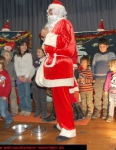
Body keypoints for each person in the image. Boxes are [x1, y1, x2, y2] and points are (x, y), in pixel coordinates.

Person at [40, 0, 77, 141]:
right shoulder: (55, 25)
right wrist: (47, 34)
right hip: (55, 64)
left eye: (51, 11)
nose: (49, 14)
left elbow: (63, 42)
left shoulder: (64, 23)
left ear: (58, 12)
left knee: (62, 98)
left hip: (61, 64)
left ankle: (69, 129)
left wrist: (47, 35)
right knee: (57, 98)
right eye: (48, 11)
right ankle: (62, 124)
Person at [91, 38, 116, 119]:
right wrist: (93, 77)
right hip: (97, 79)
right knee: (97, 96)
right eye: (100, 46)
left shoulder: (111, 55)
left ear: (107, 46)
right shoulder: (96, 55)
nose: (101, 48)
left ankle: (105, 110)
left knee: (106, 96)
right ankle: (97, 110)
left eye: (103, 46)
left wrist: (112, 77)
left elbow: (114, 65)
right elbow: (93, 66)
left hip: (107, 79)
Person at [14, 40, 35, 116]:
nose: (24, 46)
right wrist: (19, 76)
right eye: (22, 45)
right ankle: (23, 108)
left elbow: (30, 67)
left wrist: (26, 77)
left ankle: (28, 109)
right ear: (19, 47)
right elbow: (16, 67)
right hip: (19, 77)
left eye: (25, 45)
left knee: (27, 94)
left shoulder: (29, 55)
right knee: (21, 94)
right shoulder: (16, 56)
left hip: (26, 76)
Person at [1, 50, 18, 116]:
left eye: (10, 55)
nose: (9, 57)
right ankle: (3, 111)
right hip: (3, 84)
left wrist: (14, 77)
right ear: (2, 56)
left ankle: (14, 111)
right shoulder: (1, 64)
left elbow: (16, 73)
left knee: (13, 97)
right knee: (4, 98)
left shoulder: (12, 64)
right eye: (7, 55)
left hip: (11, 84)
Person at [32, 47, 47, 119]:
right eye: (37, 52)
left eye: (39, 52)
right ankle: (38, 110)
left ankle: (44, 111)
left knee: (42, 98)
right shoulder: (35, 60)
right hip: (35, 81)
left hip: (42, 83)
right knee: (36, 97)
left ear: (44, 53)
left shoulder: (45, 61)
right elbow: (32, 70)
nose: (37, 53)